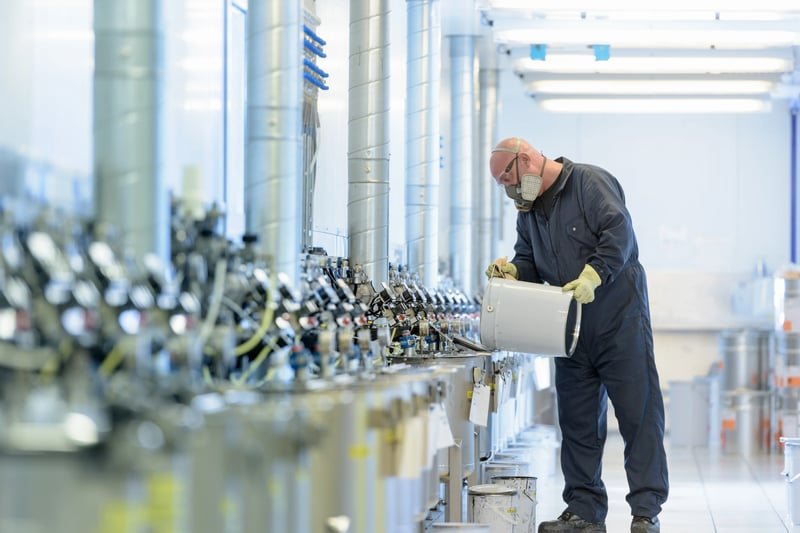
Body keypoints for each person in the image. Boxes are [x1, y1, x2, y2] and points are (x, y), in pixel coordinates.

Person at [485, 137, 669, 533]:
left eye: (510, 180)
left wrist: (594, 274)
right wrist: (514, 272)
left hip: (619, 320)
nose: (511, 192)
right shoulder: (529, 210)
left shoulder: (589, 182)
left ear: (529, 159)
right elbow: (528, 259)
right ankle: (584, 512)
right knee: (578, 422)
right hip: (567, 328)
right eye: (503, 187)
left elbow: (618, 232)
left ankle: (646, 510)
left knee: (639, 415)